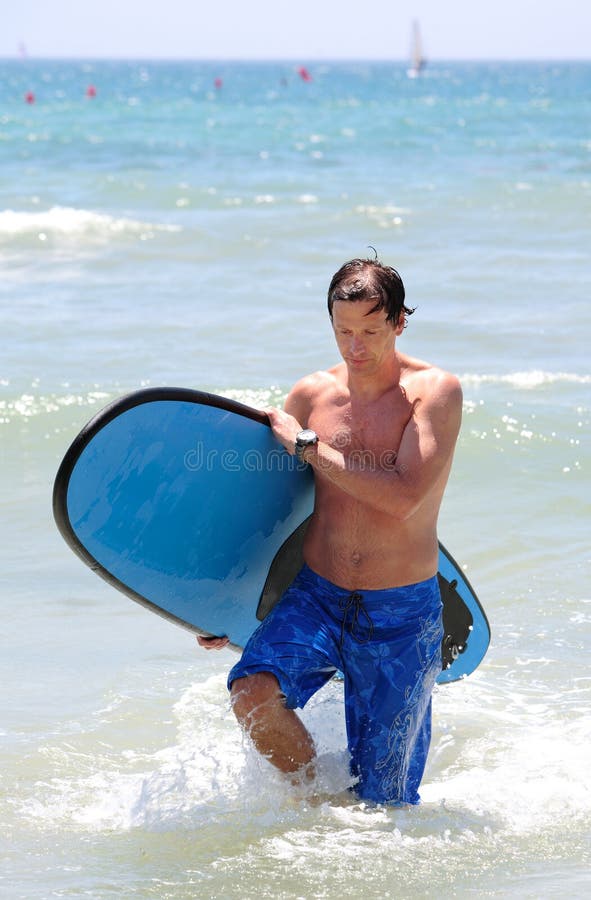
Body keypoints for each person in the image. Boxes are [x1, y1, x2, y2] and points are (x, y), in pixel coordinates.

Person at [198, 256, 462, 805]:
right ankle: (317, 794)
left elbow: (404, 498)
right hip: (318, 593)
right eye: (343, 331)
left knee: (384, 802)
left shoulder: (433, 393)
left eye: (370, 330)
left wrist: (308, 446)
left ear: (399, 322)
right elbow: (269, 509)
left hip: (400, 613)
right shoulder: (311, 397)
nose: (355, 346)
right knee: (252, 694)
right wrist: (219, 604)